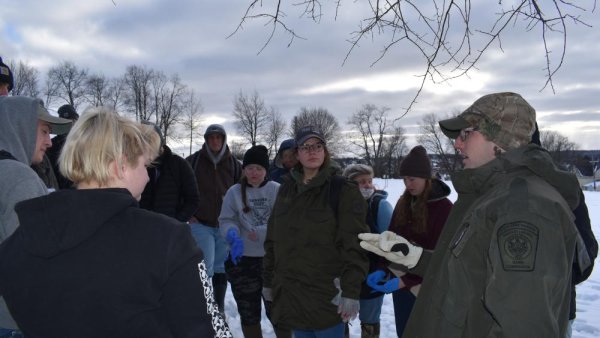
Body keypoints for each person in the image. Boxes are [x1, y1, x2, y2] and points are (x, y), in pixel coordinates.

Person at [359, 92, 580, 337]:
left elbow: (522, 326)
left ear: (499, 136)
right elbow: (472, 271)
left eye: (466, 134)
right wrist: (413, 258)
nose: (457, 144)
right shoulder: (491, 196)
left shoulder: (524, 207)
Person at [0, 108, 231, 338]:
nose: (148, 176)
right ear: (120, 165)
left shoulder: (21, 241)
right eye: (144, 165)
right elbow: (209, 330)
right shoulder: (167, 240)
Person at [263, 125, 369, 338]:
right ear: (297, 154)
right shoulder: (286, 190)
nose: (312, 151)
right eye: (306, 146)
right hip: (292, 296)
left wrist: (350, 291)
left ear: (325, 151)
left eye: (317, 146)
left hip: (327, 298)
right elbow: (273, 239)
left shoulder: (342, 190)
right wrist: (268, 280)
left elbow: (354, 245)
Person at [0, 96, 72, 338]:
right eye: (44, 131)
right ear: (18, 126)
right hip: (14, 320)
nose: (49, 142)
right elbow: (32, 260)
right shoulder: (20, 178)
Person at [365, 146, 453, 337]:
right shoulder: (403, 202)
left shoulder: (444, 208)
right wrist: (382, 268)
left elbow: (440, 257)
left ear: (426, 178)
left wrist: (406, 281)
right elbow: (391, 239)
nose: (408, 184)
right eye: (405, 179)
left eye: (412, 179)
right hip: (401, 286)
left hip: (428, 288)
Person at [531, 123, 598, 338]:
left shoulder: (561, 184)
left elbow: (585, 253)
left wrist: (552, 284)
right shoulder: (486, 186)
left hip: (554, 314)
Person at [218, 145, 288, 338]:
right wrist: (232, 233)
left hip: (272, 262)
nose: (254, 172)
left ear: (266, 171)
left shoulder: (277, 190)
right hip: (243, 262)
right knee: (248, 312)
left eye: (259, 168)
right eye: (250, 168)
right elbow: (226, 219)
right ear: (244, 170)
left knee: (278, 312)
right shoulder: (234, 192)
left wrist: (262, 232)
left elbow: (285, 221)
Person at [186, 124, 242, 315]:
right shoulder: (193, 162)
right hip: (200, 223)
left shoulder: (234, 164)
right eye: (211, 137)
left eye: (219, 137)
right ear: (206, 140)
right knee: (206, 265)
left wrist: (238, 217)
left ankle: (218, 308)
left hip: (224, 225)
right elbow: (179, 187)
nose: (215, 141)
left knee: (220, 267)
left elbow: (242, 192)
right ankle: (205, 307)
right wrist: (187, 213)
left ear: (224, 139)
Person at [341, 164, 394, 338]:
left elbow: (392, 247)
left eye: (369, 181)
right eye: (361, 182)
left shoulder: (380, 206)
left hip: (372, 276)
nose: (367, 185)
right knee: (340, 322)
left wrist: (383, 270)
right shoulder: (338, 207)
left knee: (370, 322)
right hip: (344, 277)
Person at [139, 121, 200, 222]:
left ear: (160, 142)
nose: (147, 145)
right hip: (140, 228)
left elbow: (193, 199)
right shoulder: (134, 165)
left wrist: (176, 222)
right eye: (143, 140)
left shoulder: (179, 165)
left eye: (151, 140)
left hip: (170, 231)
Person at [46, 104, 80, 189]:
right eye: (65, 122)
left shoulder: (84, 143)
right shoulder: (50, 145)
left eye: (72, 122)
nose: (70, 126)